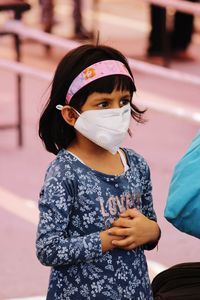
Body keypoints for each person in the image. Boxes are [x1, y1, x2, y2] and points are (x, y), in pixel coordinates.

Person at [36, 44, 161, 299]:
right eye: (103, 103)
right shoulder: (64, 173)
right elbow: (48, 248)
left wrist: (153, 232)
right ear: (71, 115)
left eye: (123, 101)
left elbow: (148, 223)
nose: (117, 111)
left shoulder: (136, 165)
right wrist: (107, 239)